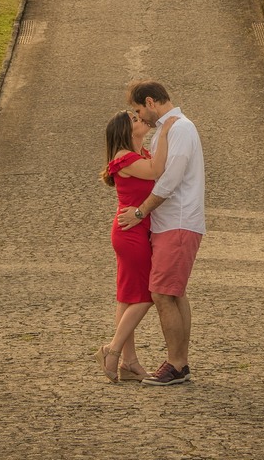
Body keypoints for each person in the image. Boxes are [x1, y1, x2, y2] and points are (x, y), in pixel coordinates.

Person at [117, 80, 205, 386]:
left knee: (162, 293)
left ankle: (176, 364)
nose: (140, 115)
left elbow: (168, 181)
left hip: (177, 222)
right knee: (174, 292)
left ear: (151, 101)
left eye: (139, 109)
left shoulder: (179, 128)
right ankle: (180, 363)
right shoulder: (170, 130)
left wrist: (140, 212)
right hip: (170, 223)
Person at [96, 110, 173, 382]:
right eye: (135, 121)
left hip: (135, 230)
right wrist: (165, 131)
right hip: (131, 233)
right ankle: (113, 349)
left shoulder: (140, 156)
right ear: (127, 132)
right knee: (147, 296)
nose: (141, 120)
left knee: (127, 297)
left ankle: (129, 362)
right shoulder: (124, 158)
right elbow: (157, 172)